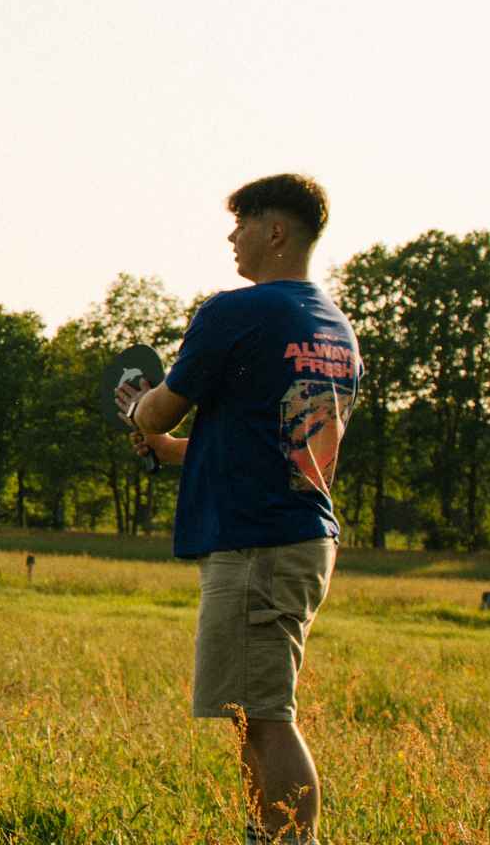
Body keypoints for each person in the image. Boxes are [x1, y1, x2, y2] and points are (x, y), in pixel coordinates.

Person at [121, 173, 360, 845]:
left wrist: (138, 412)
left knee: (266, 716)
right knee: (254, 712)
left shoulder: (235, 312)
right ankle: (265, 836)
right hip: (300, 534)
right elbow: (279, 441)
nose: (232, 236)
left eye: (243, 222)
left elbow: (160, 408)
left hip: (257, 545)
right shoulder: (334, 327)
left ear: (275, 231)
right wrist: (171, 451)